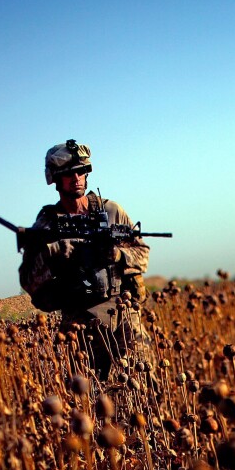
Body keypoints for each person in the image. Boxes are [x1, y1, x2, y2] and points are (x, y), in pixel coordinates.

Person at [19, 139, 150, 380]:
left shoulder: (111, 211)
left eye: (81, 171)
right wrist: (55, 252)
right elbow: (29, 280)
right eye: (69, 173)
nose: (76, 178)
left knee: (145, 385)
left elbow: (142, 255)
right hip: (79, 324)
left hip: (124, 317)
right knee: (88, 400)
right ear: (56, 179)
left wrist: (119, 255)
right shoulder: (47, 223)